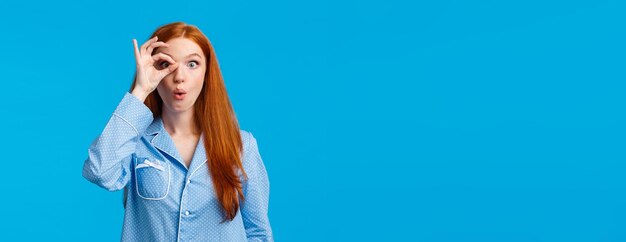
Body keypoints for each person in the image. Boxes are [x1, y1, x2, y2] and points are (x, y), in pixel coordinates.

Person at [82, 22, 273, 241]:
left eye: (192, 64)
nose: (179, 77)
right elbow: (98, 171)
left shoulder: (242, 146)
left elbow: (258, 233)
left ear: (207, 72)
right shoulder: (135, 142)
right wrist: (140, 91)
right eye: (166, 64)